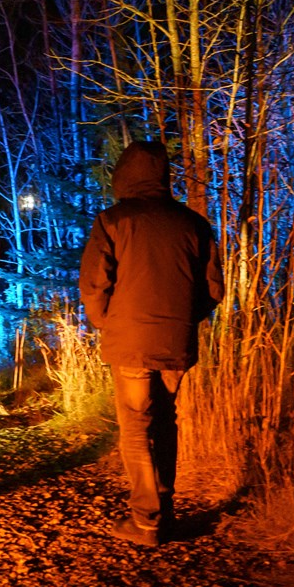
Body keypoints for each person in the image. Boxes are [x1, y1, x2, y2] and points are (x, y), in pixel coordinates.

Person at [79, 141, 224, 546]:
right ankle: (164, 510)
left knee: (136, 426)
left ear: (124, 175)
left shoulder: (113, 220)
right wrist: (183, 319)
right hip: (175, 340)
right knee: (165, 421)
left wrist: (106, 321)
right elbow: (213, 288)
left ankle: (147, 520)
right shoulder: (193, 224)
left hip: (130, 339)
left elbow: (94, 283)